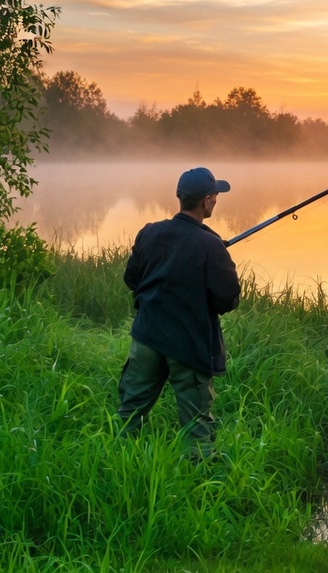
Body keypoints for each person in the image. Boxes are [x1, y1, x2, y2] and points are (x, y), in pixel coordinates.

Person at [117, 167, 241, 461]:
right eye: (215, 196)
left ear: (180, 197)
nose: (215, 201)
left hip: (146, 336)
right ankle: (199, 485)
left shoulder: (149, 232)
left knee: (130, 412)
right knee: (196, 425)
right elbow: (227, 300)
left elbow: (131, 279)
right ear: (207, 201)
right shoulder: (211, 245)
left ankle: (120, 462)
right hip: (188, 346)